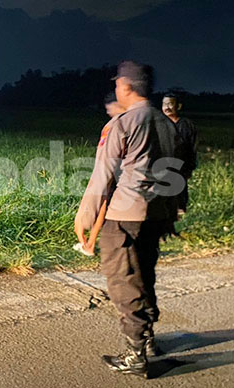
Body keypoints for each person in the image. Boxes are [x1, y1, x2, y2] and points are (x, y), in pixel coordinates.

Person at [74, 61, 180, 377]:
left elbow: (103, 174)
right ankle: (148, 343)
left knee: (124, 281)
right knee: (144, 274)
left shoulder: (122, 123)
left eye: (119, 83)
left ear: (126, 86)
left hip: (125, 215)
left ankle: (136, 354)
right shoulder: (166, 122)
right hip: (158, 213)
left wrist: (86, 214)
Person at [74, 92, 125, 257]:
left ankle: (89, 244)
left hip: (113, 171)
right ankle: (89, 244)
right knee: (107, 205)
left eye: (109, 108)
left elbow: (105, 155)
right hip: (126, 173)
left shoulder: (114, 125)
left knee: (103, 202)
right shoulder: (134, 121)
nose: (108, 112)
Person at [162, 93, 197, 215]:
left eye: (170, 104)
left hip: (181, 164)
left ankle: (180, 213)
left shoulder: (186, 125)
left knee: (180, 191)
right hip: (162, 164)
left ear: (178, 106)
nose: (167, 107)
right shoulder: (159, 124)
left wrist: (190, 167)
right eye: (164, 104)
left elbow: (192, 146)